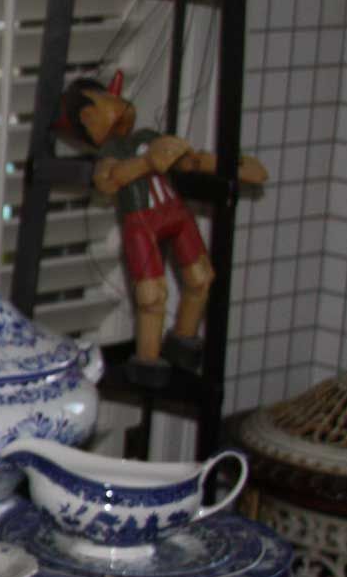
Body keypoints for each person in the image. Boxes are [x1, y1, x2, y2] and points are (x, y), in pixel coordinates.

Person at [57, 73, 267, 385]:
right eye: (107, 100)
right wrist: (148, 164)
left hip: (176, 213)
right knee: (152, 295)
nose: (120, 104)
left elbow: (189, 161)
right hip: (141, 221)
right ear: (88, 118)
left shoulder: (145, 137)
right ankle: (148, 359)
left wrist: (228, 165)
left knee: (201, 278)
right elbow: (109, 180)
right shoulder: (111, 154)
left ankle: (183, 340)